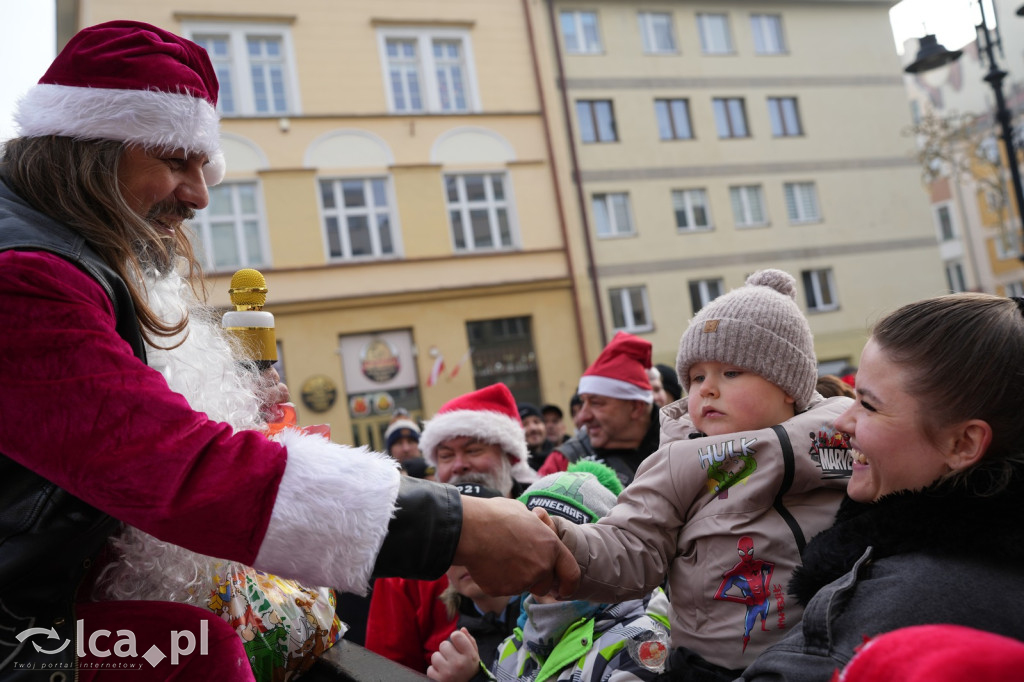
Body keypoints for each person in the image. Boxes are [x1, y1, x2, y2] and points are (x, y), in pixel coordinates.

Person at [0, 20, 575, 679]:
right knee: (195, 651)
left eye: (202, 165)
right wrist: (455, 527)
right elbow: (174, 466)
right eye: (174, 160)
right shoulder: (23, 278)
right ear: (89, 151)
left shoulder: (49, 249)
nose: (199, 195)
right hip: (18, 630)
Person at [540, 271, 853, 681]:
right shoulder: (679, 462)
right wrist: (560, 542)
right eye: (697, 377)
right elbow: (631, 543)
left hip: (838, 648)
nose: (706, 389)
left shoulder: (838, 438)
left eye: (732, 373)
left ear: (788, 384)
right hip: (719, 668)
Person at [738, 293, 1024, 681]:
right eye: (854, 398)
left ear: (964, 444)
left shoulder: (909, 607)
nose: (842, 422)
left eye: (869, 406)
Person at [428, 462, 672, 682]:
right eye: (528, 548)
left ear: (604, 554)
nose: (546, 563)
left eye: (565, 547)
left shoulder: (641, 642)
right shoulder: (514, 647)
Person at [366, 383, 539, 672]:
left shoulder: (547, 527)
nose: (459, 466)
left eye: (473, 450)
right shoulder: (409, 554)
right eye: (446, 456)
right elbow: (385, 669)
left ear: (510, 459)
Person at [539, 332, 662, 486]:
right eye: (584, 402)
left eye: (596, 403)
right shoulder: (564, 461)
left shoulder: (684, 445)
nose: (583, 417)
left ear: (636, 408)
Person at [519, 402, 554, 470]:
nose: (533, 428)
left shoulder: (560, 459)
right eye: (525, 424)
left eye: (536, 422)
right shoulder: (513, 469)